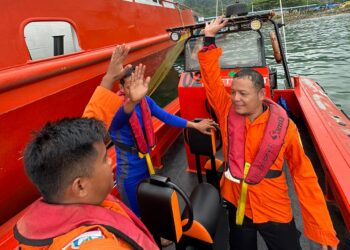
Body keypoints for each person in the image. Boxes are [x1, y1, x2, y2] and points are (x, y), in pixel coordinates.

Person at [197, 17, 339, 250]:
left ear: (262, 95)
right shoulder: (226, 112)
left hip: (274, 206)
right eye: (233, 93)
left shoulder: (286, 128)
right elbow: (211, 80)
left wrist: (324, 231)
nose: (235, 99)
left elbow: (304, 177)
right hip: (237, 202)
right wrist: (209, 38)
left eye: (243, 94)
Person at [14, 118, 159, 250]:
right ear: (80, 186)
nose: (110, 162)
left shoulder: (67, 199)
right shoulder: (96, 245)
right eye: (104, 158)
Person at [109, 65, 216, 217]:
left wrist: (194, 125)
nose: (132, 91)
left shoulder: (146, 101)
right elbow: (120, 118)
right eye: (128, 87)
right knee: (134, 214)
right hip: (128, 173)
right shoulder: (115, 108)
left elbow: (166, 117)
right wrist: (132, 101)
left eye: (136, 86)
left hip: (145, 164)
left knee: (147, 200)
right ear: (121, 87)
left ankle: (158, 232)